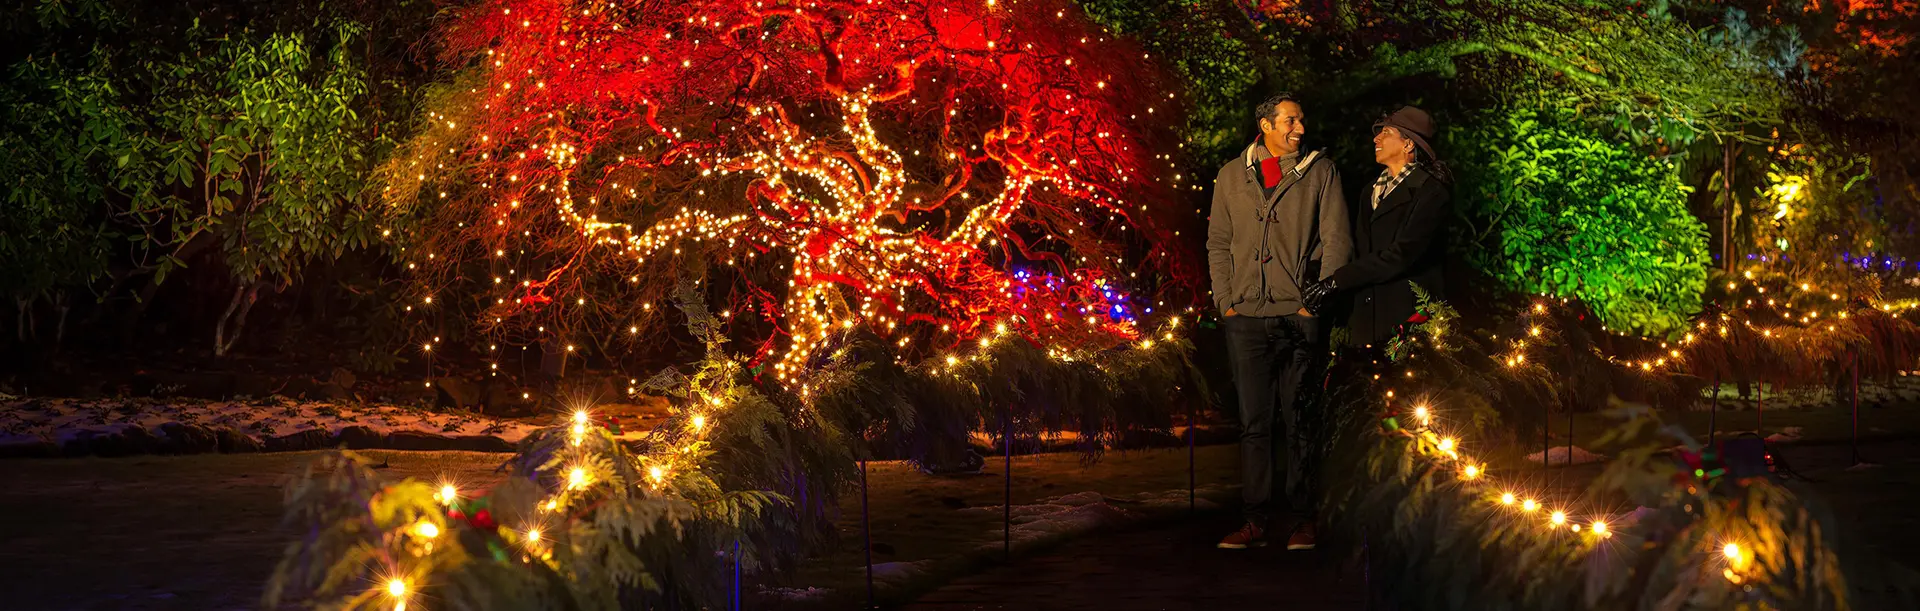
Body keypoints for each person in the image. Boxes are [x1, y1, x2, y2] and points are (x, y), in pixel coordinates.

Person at [1207, 92, 1352, 550]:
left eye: (1302, 120)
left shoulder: (1320, 172)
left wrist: (1314, 304)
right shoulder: (1232, 175)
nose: (1300, 129)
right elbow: (1218, 243)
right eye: (1291, 121)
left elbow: (1337, 244)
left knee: (1301, 420)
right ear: (1266, 125)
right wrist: (1225, 302)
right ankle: (1254, 520)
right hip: (1244, 318)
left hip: (1299, 316)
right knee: (1254, 424)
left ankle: (1304, 519)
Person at [1304, 106, 1453, 349]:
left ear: (1408, 145)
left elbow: (1401, 255)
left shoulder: (1431, 192)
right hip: (1366, 320)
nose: (1376, 138)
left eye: (1386, 133)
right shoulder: (1369, 192)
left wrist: (1337, 281)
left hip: (1408, 321)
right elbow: (1359, 249)